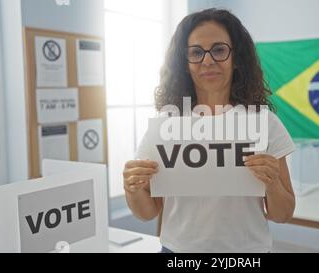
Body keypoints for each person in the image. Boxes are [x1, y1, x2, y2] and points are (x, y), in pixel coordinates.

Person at [123, 8, 296, 253]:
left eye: (219, 50)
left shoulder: (263, 122)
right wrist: (131, 188)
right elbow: (147, 212)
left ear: (237, 59)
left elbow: (283, 214)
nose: (207, 61)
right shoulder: (165, 124)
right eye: (196, 52)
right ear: (184, 63)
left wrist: (273, 184)